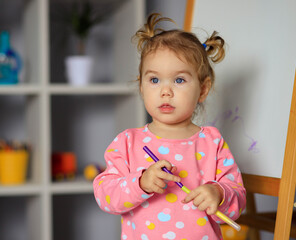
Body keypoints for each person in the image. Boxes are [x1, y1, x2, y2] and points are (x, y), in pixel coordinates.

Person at [93, 13, 246, 240]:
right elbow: (106, 196)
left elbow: (238, 202)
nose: (166, 91)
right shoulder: (127, 142)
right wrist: (140, 183)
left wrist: (219, 193)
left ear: (203, 90)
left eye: (179, 80)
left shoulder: (212, 142)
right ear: (142, 86)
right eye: (154, 80)